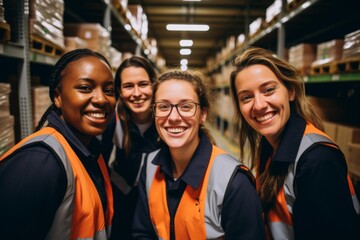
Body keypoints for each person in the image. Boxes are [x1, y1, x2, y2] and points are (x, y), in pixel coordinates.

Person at [229, 47, 360, 239]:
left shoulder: (318, 161)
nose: (258, 105)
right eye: (246, 97)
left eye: (269, 90)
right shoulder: (270, 146)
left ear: (290, 91)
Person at [132, 69, 266, 239]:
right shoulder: (151, 166)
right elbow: (143, 233)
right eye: (164, 106)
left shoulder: (234, 182)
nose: (173, 117)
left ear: (202, 114)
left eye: (186, 106)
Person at [0, 48, 115, 239]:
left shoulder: (91, 152)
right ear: (57, 97)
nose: (102, 99)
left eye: (109, 90)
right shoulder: (39, 163)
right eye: (85, 88)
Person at [101, 56, 161, 240]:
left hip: (157, 199)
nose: (136, 93)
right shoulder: (112, 118)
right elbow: (98, 162)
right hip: (121, 197)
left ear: (154, 85)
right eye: (128, 86)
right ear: (119, 90)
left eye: (143, 84)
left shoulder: (166, 117)